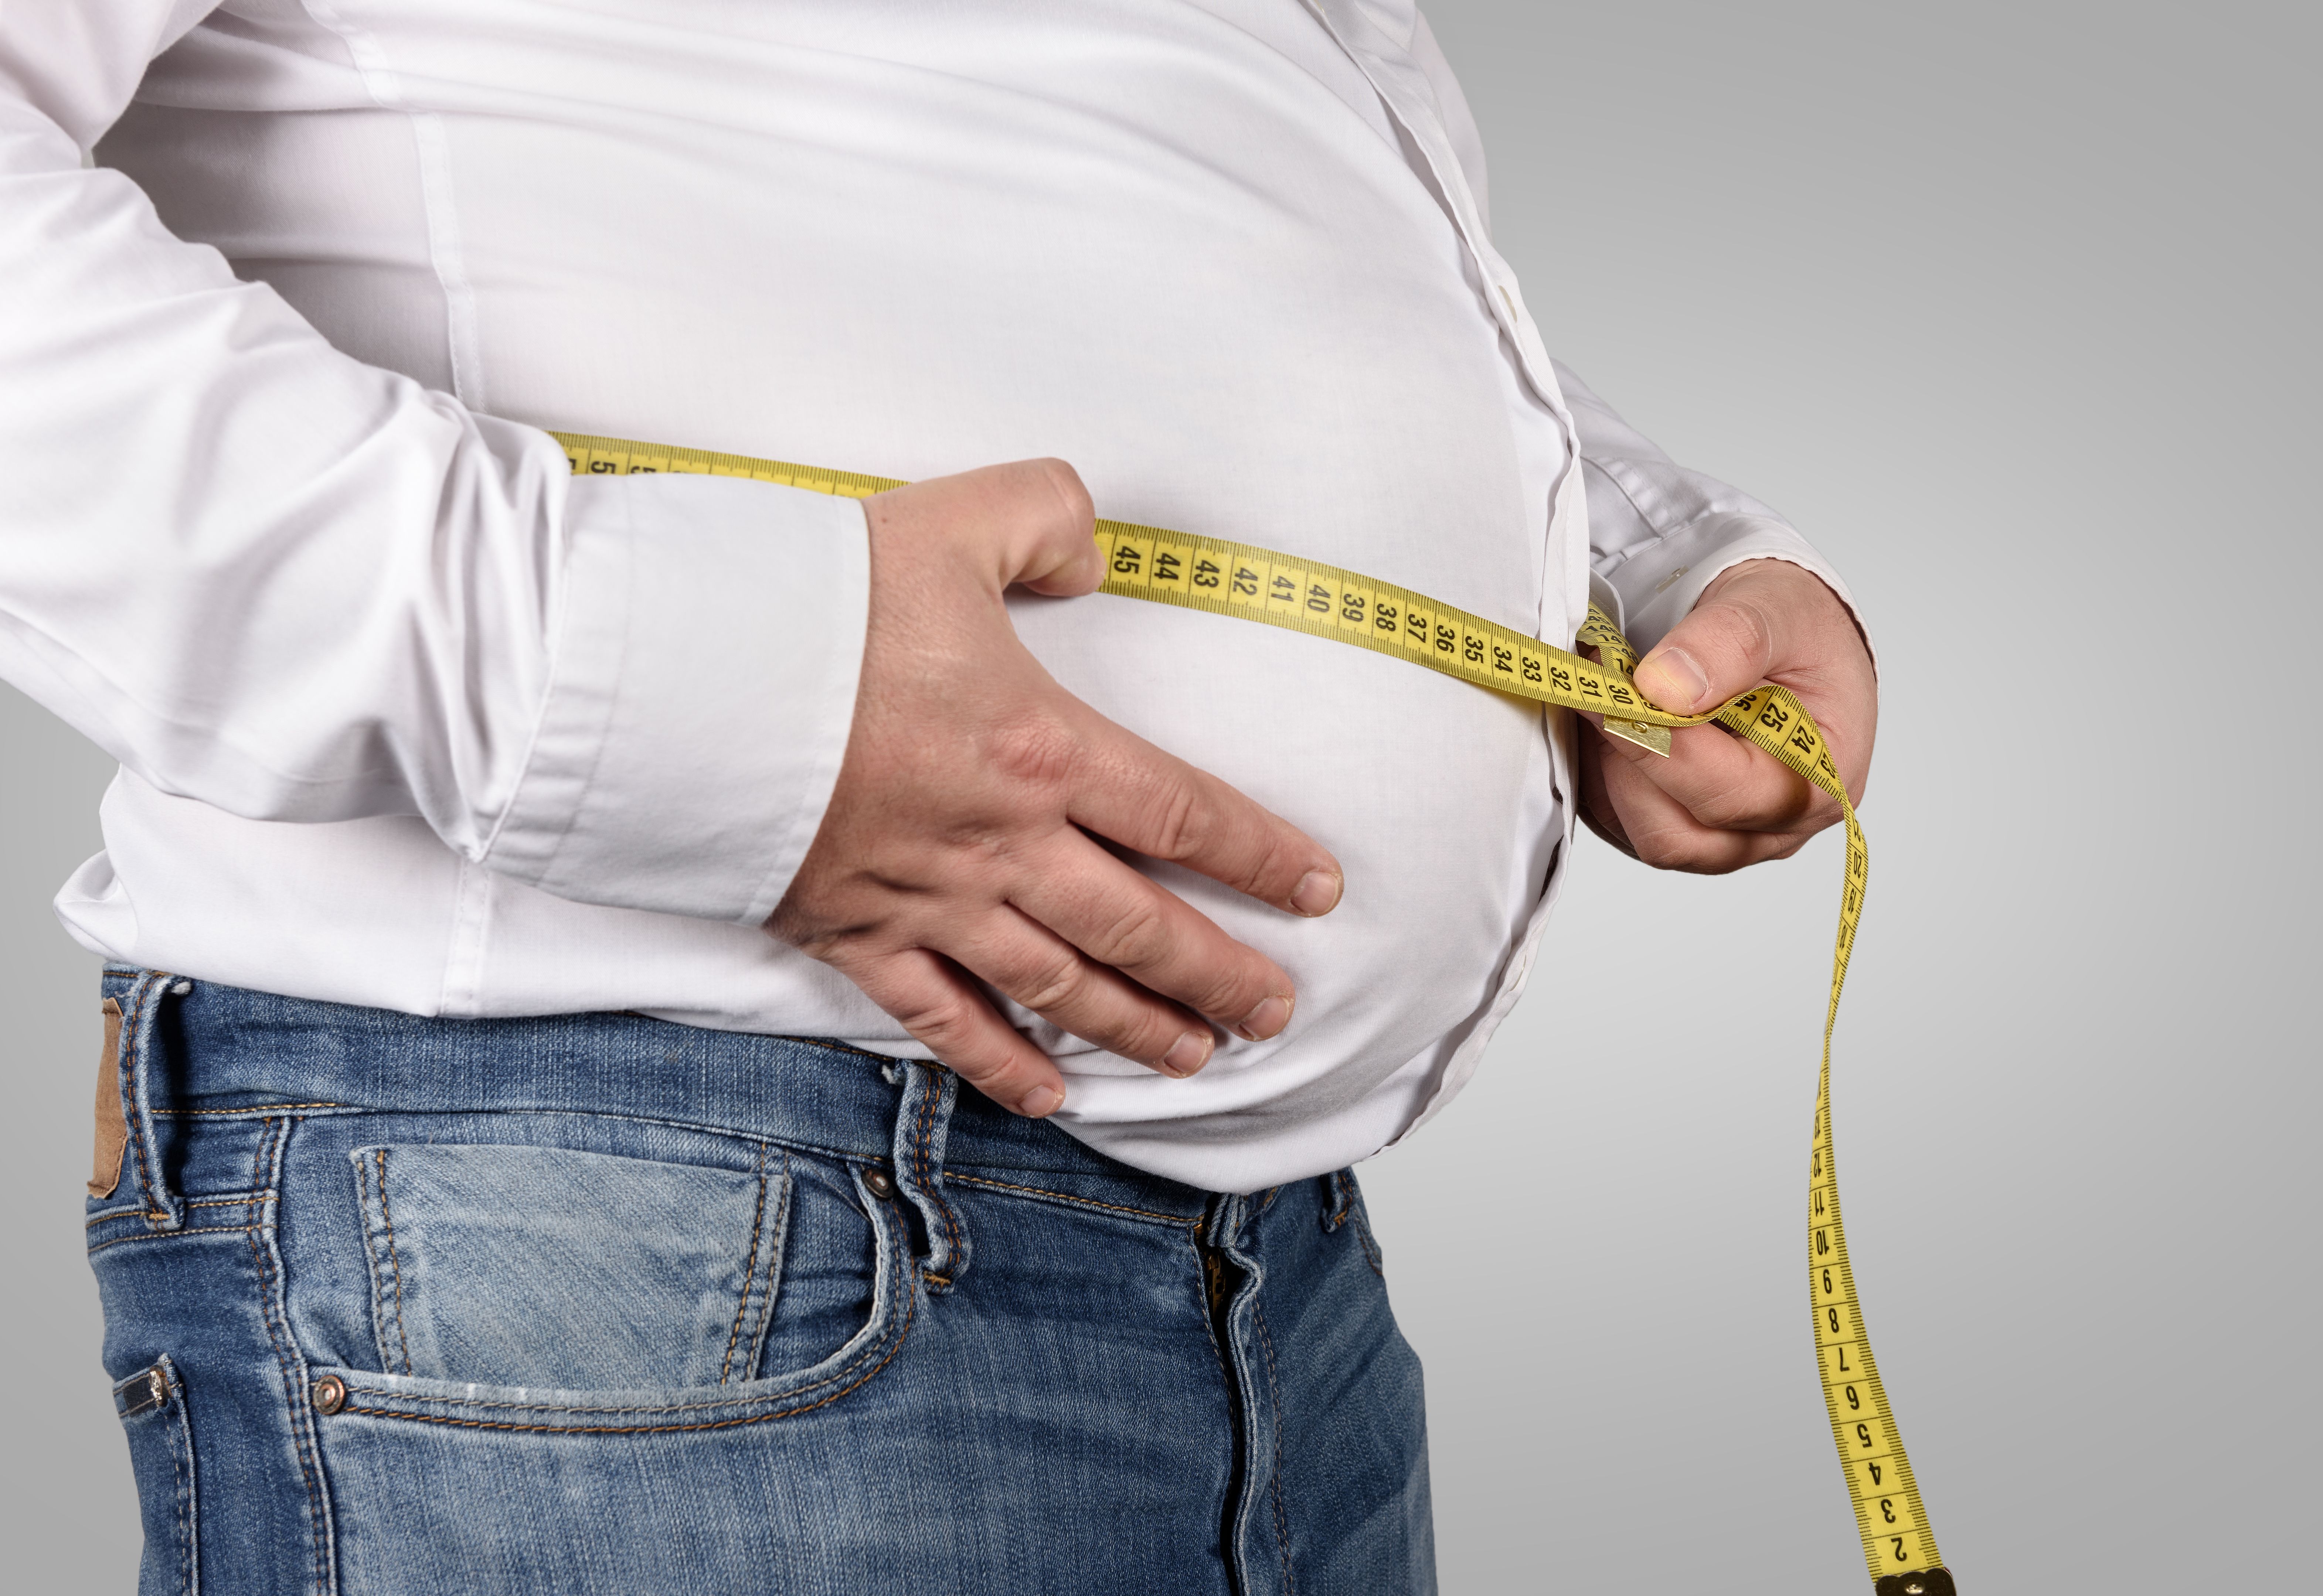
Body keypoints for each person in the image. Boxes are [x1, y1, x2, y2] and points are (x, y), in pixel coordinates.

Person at [3, 1, 1876, 1590]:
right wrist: (690, 702)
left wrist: (1643, 567)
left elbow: (1120, 213)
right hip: (625, 1195)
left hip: (1270, 1283)